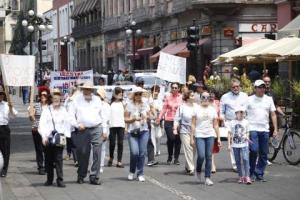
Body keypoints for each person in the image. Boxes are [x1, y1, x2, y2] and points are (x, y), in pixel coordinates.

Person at [69, 82, 108, 185]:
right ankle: (81, 174)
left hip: (96, 128)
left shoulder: (97, 100)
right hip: (83, 129)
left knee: (97, 152)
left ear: (92, 91)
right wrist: (77, 125)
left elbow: (103, 115)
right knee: (82, 152)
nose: (87, 91)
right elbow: (71, 116)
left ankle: (94, 176)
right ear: (82, 90)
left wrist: (104, 130)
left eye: (89, 89)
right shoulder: (76, 100)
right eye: (85, 89)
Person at [38, 88, 71, 187]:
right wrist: (43, 137)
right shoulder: (46, 110)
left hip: (59, 139)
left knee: (58, 160)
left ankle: (60, 180)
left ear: (60, 98)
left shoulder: (64, 110)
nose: (56, 99)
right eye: (54, 97)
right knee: (48, 159)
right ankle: (49, 179)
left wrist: (65, 135)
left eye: (58, 97)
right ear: (51, 98)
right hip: (48, 138)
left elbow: (67, 124)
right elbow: (41, 124)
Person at [247, 80, 278, 182]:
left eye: (263, 87)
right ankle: (251, 173)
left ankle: (259, 173)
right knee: (254, 150)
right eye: (259, 87)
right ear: (255, 88)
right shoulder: (249, 99)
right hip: (252, 128)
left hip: (265, 129)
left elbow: (273, 114)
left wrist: (275, 130)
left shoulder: (269, 99)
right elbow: (243, 113)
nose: (261, 89)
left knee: (264, 153)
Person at [191, 92, 221, 186]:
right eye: (203, 97)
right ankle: (198, 170)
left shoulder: (212, 110)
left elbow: (216, 125)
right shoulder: (196, 109)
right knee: (201, 155)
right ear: (200, 98)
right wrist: (191, 137)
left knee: (209, 156)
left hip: (210, 135)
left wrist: (219, 138)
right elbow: (193, 124)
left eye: (208, 97)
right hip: (199, 134)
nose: (206, 99)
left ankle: (207, 177)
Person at [220, 79, 248, 171]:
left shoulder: (245, 96)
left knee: (244, 142)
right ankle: (235, 164)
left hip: (242, 122)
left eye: (237, 86)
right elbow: (221, 111)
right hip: (230, 122)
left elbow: (248, 109)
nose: (236, 88)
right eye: (233, 87)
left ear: (240, 86)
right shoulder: (225, 97)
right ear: (230, 87)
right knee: (233, 143)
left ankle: (245, 162)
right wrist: (223, 121)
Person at [125, 87, 150, 182]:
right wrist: (133, 119)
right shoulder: (129, 105)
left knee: (142, 153)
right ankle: (132, 171)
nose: (138, 96)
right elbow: (125, 119)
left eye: (140, 94)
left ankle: (140, 173)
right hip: (133, 131)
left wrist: (147, 117)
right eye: (137, 94)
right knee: (135, 153)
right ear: (133, 95)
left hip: (144, 131)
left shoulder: (145, 104)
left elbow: (151, 115)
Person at [157, 82, 182, 165]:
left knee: (178, 140)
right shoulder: (168, 97)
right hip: (169, 120)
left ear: (179, 89)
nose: (174, 89)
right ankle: (170, 156)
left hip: (178, 121)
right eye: (173, 87)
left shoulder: (181, 98)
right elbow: (164, 109)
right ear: (171, 88)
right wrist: (159, 118)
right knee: (171, 139)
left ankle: (176, 158)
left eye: (176, 88)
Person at [28, 88, 51, 175]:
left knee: (47, 149)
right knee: (39, 149)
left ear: (48, 96)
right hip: (36, 130)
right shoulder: (36, 105)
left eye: (45, 95)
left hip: (46, 131)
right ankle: (40, 167)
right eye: (41, 95)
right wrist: (31, 115)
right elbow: (31, 118)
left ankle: (47, 166)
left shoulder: (50, 106)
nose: (43, 96)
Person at [174, 91, 196, 176]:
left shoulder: (197, 107)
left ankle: (187, 166)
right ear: (188, 97)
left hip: (195, 131)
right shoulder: (182, 107)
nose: (194, 97)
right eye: (192, 95)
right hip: (184, 130)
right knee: (188, 149)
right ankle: (191, 168)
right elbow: (176, 118)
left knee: (193, 149)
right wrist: (175, 128)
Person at [228, 107, 251, 184]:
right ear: (236, 113)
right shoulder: (232, 122)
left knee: (245, 159)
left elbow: (247, 131)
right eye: (239, 112)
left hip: (244, 144)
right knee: (237, 160)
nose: (241, 114)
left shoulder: (246, 122)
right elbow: (229, 133)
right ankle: (241, 176)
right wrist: (228, 144)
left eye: (242, 112)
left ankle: (247, 176)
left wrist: (247, 137)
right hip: (235, 144)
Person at [0, 86, 17, 177]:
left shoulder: (7, 104)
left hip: (4, 129)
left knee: (5, 151)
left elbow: (14, 115)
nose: (0, 96)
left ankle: (4, 169)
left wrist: (11, 107)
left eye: (2, 94)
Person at [108, 87, 125, 168]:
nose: (120, 94)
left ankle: (119, 161)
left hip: (121, 125)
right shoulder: (110, 103)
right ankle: (111, 158)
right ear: (114, 94)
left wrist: (127, 127)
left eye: (121, 92)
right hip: (112, 125)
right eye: (119, 92)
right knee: (112, 143)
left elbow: (126, 115)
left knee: (120, 143)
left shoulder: (123, 103)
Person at [96, 87, 111, 173]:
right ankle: (93, 165)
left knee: (102, 148)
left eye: (99, 95)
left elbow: (107, 119)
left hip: (104, 128)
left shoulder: (106, 106)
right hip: (95, 127)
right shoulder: (93, 104)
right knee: (93, 147)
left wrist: (105, 131)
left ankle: (101, 165)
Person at [148, 85, 163, 166]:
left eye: (157, 91)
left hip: (158, 119)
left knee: (158, 136)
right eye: (154, 91)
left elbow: (161, 109)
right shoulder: (150, 100)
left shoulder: (160, 100)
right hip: (151, 120)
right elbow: (149, 108)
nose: (156, 93)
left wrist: (158, 109)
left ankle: (158, 148)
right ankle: (153, 151)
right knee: (152, 136)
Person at [64, 87, 78, 166]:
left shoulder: (79, 100)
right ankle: (76, 160)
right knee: (73, 142)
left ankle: (78, 158)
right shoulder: (68, 100)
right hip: (71, 124)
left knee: (78, 143)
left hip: (79, 124)